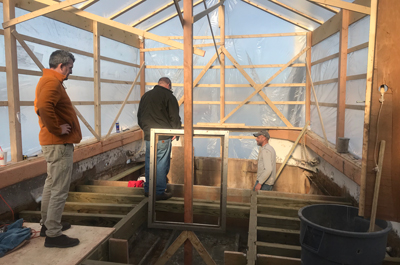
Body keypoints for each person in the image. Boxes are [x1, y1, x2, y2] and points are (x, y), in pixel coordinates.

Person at [34, 50, 82, 248]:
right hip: (58, 143)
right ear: (61, 66)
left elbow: (42, 106)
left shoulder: (46, 80)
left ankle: (47, 225)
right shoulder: (53, 82)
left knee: (51, 184)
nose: (70, 71)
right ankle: (53, 234)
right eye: (69, 67)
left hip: (52, 143)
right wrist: (57, 128)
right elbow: (44, 107)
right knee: (60, 189)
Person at [137, 77, 182, 201]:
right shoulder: (169, 96)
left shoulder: (146, 96)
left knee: (150, 163)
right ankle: (158, 191)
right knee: (161, 163)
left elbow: (140, 117)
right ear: (168, 85)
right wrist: (176, 131)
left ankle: (148, 190)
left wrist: (146, 130)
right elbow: (174, 117)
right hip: (163, 136)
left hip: (149, 136)